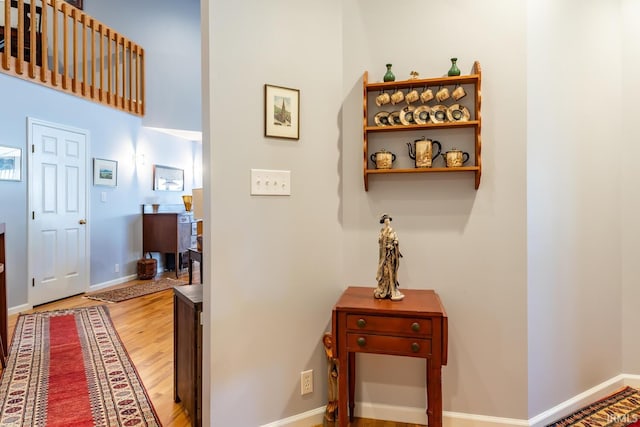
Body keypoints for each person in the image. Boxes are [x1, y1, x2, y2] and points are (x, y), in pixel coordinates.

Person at [374, 214, 404, 301]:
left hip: (390, 256)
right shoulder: (382, 230)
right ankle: (383, 289)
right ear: (384, 222)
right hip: (383, 255)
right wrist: (381, 241)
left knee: (390, 272)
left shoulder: (392, 231)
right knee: (384, 272)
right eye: (385, 221)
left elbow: (396, 240)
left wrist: (392, 245)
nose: (387, 222)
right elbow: (380, 241)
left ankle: (392, 291)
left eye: (388, 220)